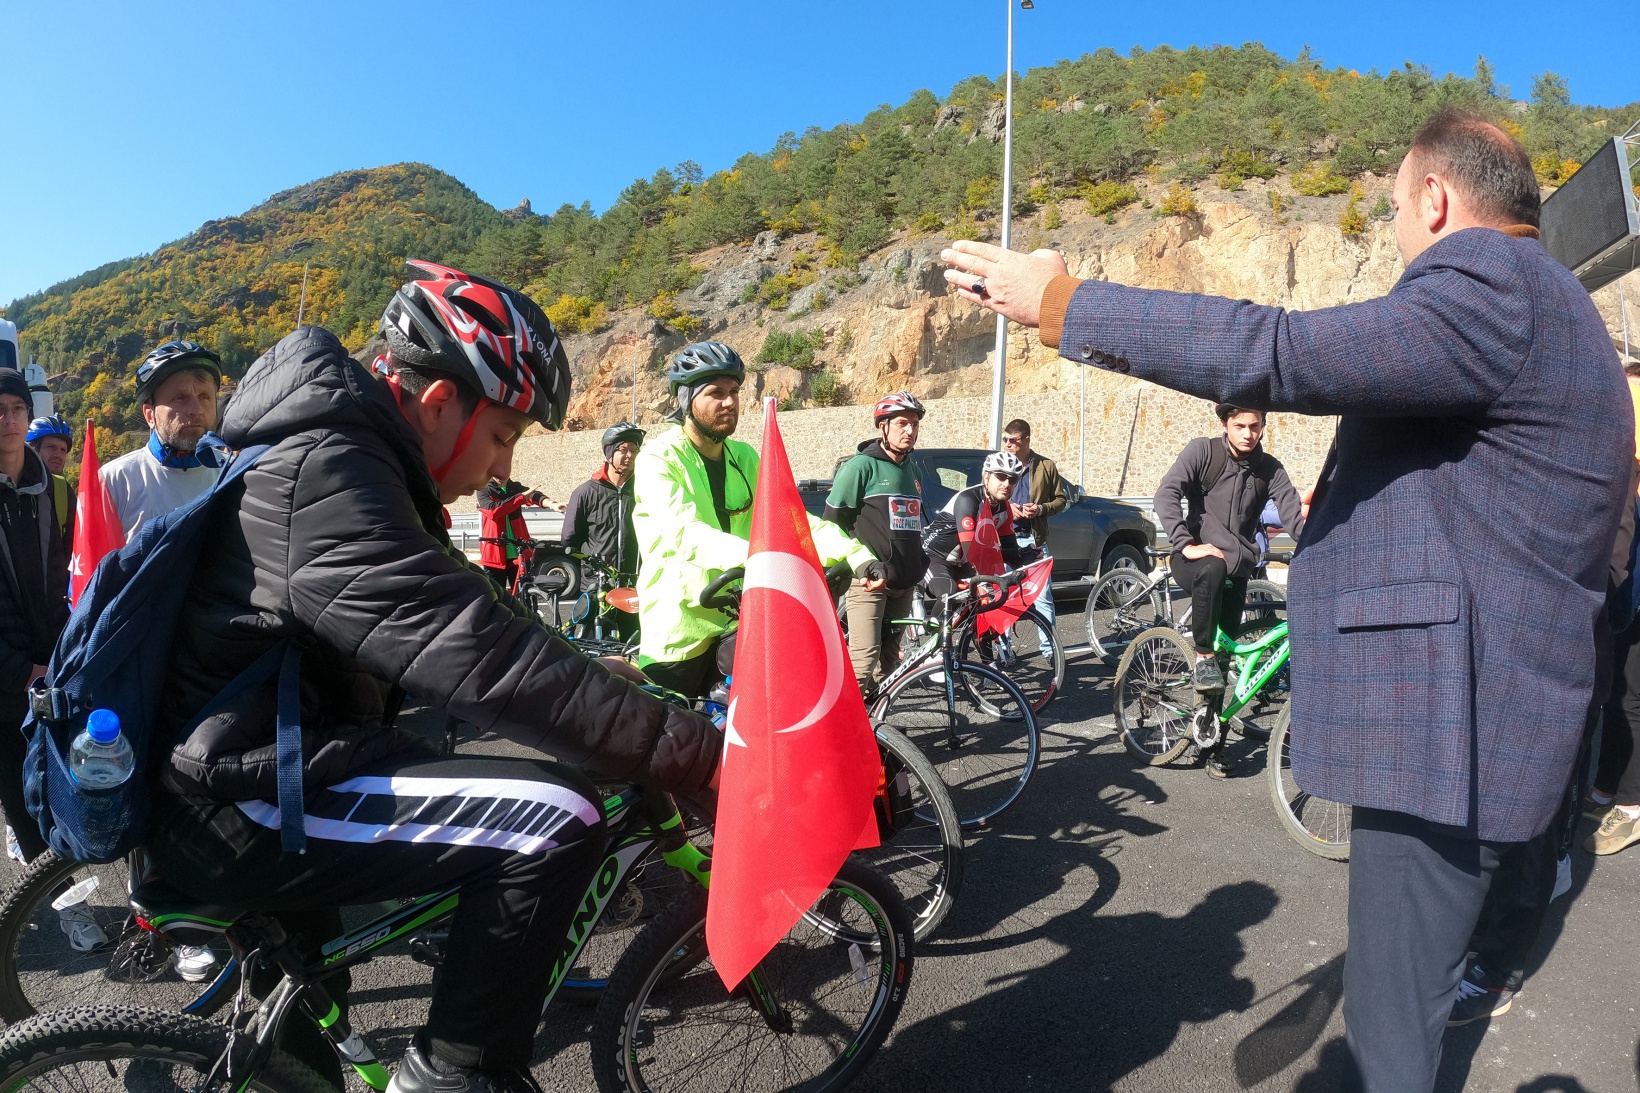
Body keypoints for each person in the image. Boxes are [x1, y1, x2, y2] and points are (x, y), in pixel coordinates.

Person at [940, 108, 1629, 1091]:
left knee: (1391, 1034)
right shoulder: (1555, 307)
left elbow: (1278, 350)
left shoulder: (1488, 286)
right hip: (1490, 713)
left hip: (1445, 730)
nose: (1395, 228)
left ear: (1433, 198)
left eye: (1393, 205)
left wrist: (1061, 300)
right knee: (1417, 999)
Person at [147, 261, 720, 1093]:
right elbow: (476, 651)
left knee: (301, 1033)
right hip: (239, 794)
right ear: (440, 401)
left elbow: (472, 611)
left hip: (247, 763)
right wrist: (704, 758)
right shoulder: (327, 473)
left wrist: (597, 675)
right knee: (553, 818)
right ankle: (458, 1078)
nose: (501, 465)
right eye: (504, 435)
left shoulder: (347, 452)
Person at [632, 341, 873, 697]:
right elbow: (684, 533)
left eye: (734, 392)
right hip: (678, 627)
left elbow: (791, 519)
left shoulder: (743, 456)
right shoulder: (659, 458)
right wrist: (762, 560)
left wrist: (855, 555)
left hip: (735, 617)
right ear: (685, 399)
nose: (729, 402)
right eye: (715, 392)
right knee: (674, 742)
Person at [0, 372, 87, 947]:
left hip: (55, 666)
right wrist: (16, 667)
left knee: (64, 787)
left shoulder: (58, 492)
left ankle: (74, 892)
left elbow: (78, 577)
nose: (4, 419)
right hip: (6, 676)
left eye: (14, 408)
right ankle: (53, 903)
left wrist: (65, 652)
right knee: (18, 792)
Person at [1153, 405, 1304, 711]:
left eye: (1255, 425)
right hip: (1194, 563)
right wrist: (1186, 543)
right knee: (1214, 565)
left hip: (1237, 570)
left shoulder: (1270, 469)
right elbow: (1165, 494)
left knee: (1225, 660)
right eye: (1239, 426)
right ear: (1224, 423)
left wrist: (1323, 541)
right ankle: (1202, 655)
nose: (1248, 434)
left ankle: (1210, 738)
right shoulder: (1204, 452)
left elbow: (1294, 518)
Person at [825, 393, 929, 692]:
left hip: (904, 582)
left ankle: (881, 732)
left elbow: (912, 525)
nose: (910, 430)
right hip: (869, 582)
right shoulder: (861, 467)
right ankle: (844, 735)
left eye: (914, 424)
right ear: (883, 426)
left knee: (890, 666)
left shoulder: (913, 469)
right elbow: (831, 524)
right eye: (901, 423)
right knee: (863, 661)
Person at [101, 340, 222, 540]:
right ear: (150, 415)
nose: (196, 410)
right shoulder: (115, 481)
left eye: (205, 397)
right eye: (180, 398)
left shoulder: (234, 474)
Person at [560, 422, 644, 641]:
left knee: (634, 648)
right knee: (597, 651)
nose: (629, 455)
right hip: (598, 587)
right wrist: (591, 566)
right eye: (623, 449)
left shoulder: (644, 489)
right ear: (609, 452)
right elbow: (569, 540)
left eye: (634, 450)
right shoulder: (585, 492)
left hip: (633, 585)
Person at [922, 450, 1038, 599]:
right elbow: (972, 551)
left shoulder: (1005, 508)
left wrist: (1027, 555)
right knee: (948, 593)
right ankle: (942, 622)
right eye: (1001, 476)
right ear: (986, 476)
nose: (1006, 484)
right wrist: (983, 582)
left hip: (960, 563)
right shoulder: (968, 500)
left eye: (1013, 479)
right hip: (933, 557)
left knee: (983, 601)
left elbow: (1010, 551)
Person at [1001, 418, 1068, 655]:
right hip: (1004, 539)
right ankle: (1004, 650)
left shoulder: (1046, 466)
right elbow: (986, 498)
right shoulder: (999, 465)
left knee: (1042, 597)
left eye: (1013, 440)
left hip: (1034, 538)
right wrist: (1010, 509)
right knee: (1003, 596)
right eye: (1005, 439)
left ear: (1027, 440)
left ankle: (1050, 652)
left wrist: (1040, 509)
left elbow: (1061, 500)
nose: (1008, 444)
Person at [475, 478, 553, 587]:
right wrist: (520, 498)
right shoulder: (484, 489)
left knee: (524, 595)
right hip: (494, 555)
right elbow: (493, 511)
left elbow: (533, 495)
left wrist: (552, 504)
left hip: (519, 552)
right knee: (497, 597)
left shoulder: (515, 487)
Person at [25, 415, 74, 545]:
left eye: (63, 450)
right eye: (51, 447)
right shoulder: (12, 486)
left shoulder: (64, 490)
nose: (58, 455)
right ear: (33, 449)